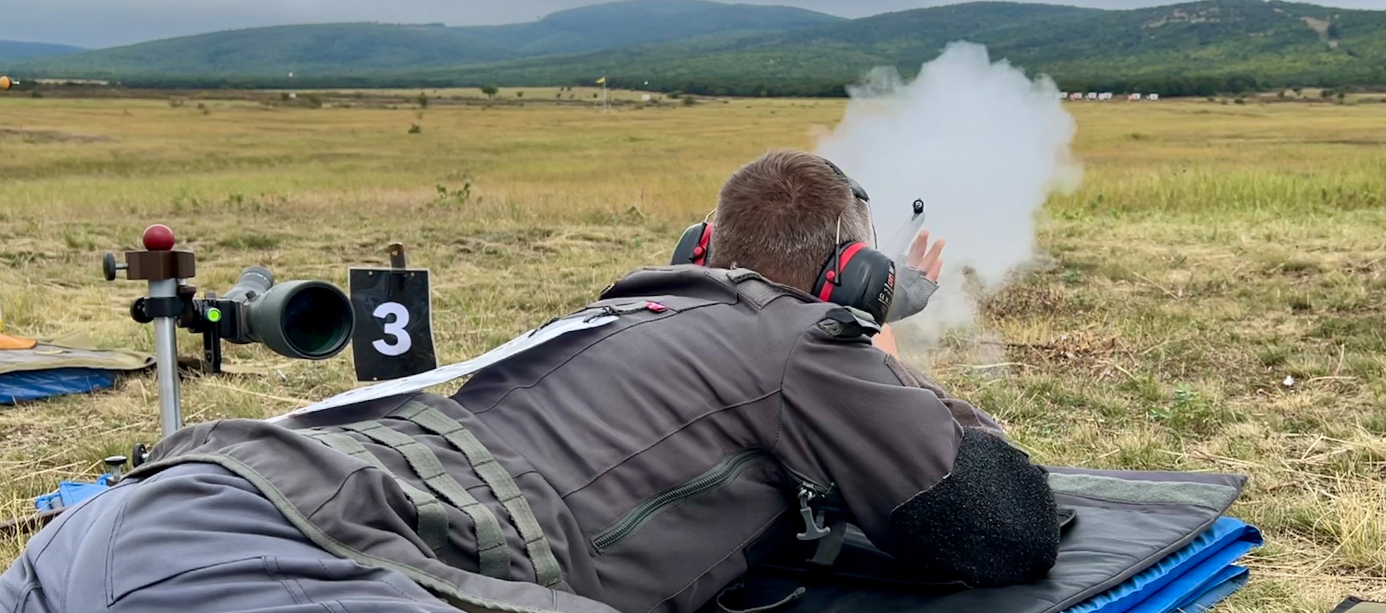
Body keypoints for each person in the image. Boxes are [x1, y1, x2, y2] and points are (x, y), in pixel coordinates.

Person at [0, 149, 1059, 613]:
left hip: (149, 517)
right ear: (848, 277)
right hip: (273, 557)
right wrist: (867, 344)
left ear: (701, 245)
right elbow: (998, 526)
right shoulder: (796, 341)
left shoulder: (607, 315)